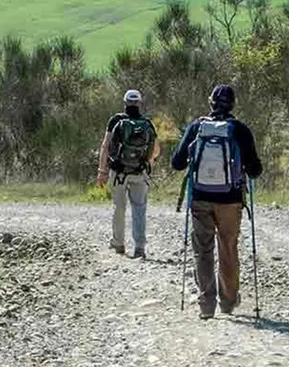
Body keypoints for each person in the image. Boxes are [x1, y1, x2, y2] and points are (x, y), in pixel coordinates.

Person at [171, 84, 262, 320]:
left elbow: (177, 163)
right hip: (230, 200)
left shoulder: (197, 127)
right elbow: (255, 170)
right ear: (232, 105)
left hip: (200, 197)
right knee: (228, 247)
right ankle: (228, 301)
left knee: (203, 250)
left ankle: (206, 304)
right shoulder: (240, 130)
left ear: (210, 102)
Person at [96, 89, 160, 259]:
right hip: (140, 172)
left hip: (119, 173)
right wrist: (147, 164)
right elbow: (155, 149)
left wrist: (102, 171)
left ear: (125, 103)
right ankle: (139, 247)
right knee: (139, 208)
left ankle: (118, 243)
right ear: (139, 103)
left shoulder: (116, 120)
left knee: (119, 207)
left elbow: (105, 146)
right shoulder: (146, 123)